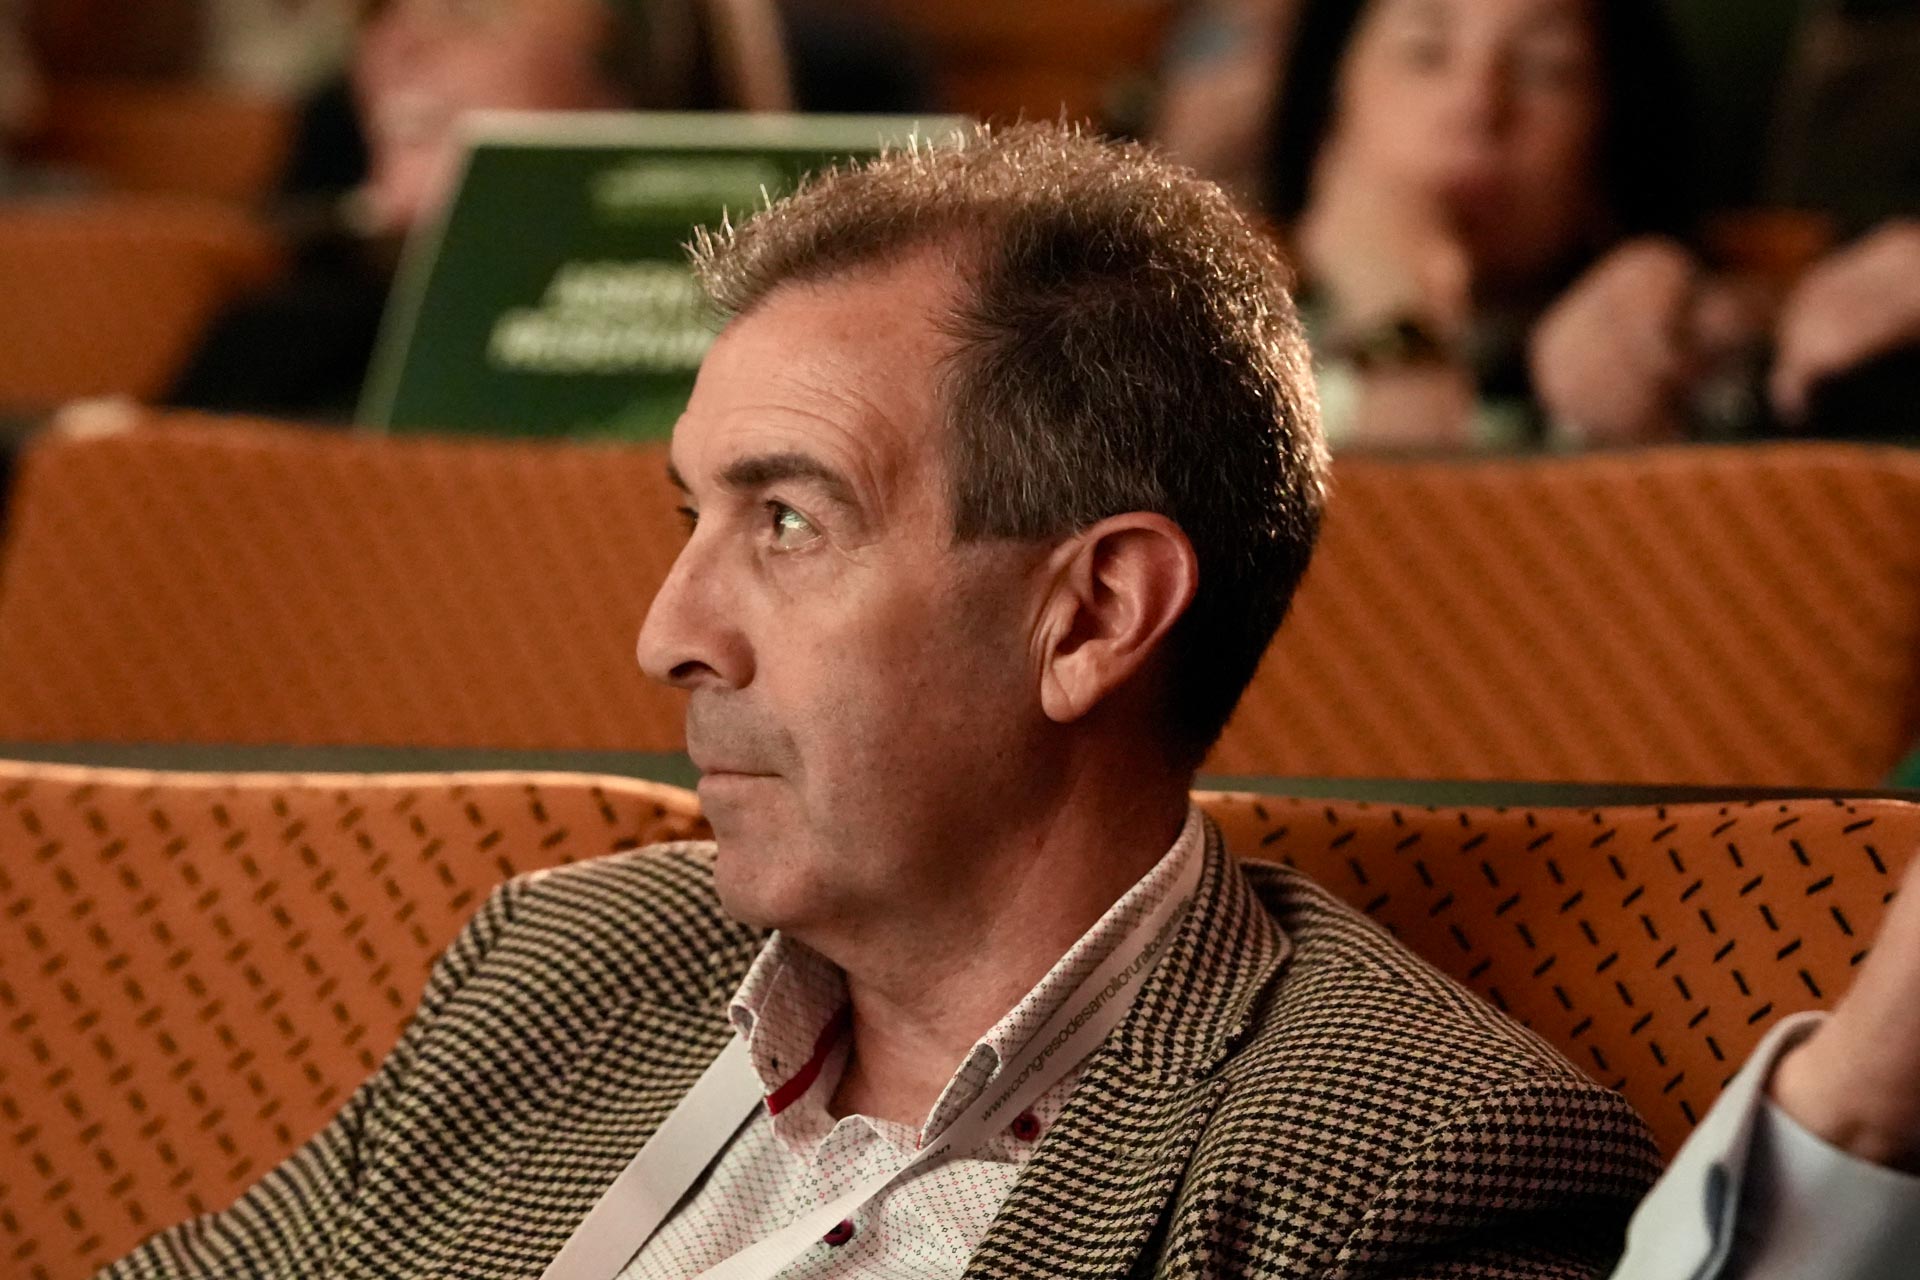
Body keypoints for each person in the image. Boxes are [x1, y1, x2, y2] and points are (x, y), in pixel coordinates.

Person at [98, 123, 1920, 1280]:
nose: (671, 634)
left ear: (1090, 616)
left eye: (788, 522)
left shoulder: (1395, 1159)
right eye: (690, 517)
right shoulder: (560, 963)